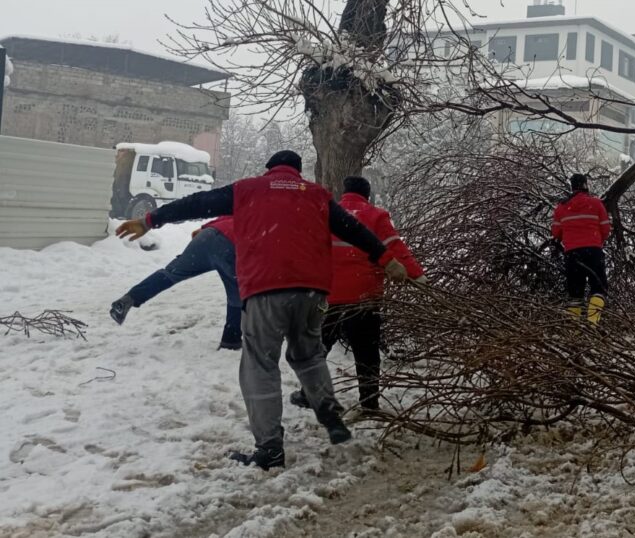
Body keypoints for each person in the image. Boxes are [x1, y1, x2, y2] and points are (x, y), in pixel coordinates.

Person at [115, 150, 408, 471]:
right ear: (297, 173)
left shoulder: (249, 188)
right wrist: (386, 258)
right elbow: (353, 229)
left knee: (260, 365)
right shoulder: (315, 195)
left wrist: (150, 220)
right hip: (312, 290)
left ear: (269, 170)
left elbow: (197, 203)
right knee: (308, 354)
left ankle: (269, 449)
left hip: (268, 287)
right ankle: (329, 413)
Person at [289, 176, 424, 414]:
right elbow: (395, 248)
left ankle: (307, 393)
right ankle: (369, 403)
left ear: (345, 193)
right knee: (366, 352)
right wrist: (417, 276)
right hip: (364, 296)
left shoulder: (328, 213)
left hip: (327, 296)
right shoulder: (376, 216)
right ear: (367, 194)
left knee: (319, 346)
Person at [109, 216, 242, 350]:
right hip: (230, 245)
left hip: (206, 236)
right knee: (237, 294)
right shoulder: (259, 218)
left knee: (170, 274)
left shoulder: (243, 210)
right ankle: (231, 339)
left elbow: (212, 225)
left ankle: (128, 299)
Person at [551, 173, 611, 325]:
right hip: (594, 251)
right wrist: (597, 241)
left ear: (571, 187)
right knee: (599, 288)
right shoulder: (596, 204)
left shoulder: (562, 208)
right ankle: (592, 322)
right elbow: (605, 229)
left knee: (575, 294)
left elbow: (556, 233)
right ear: (585, 185)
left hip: (572, 254)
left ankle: (575, 330)